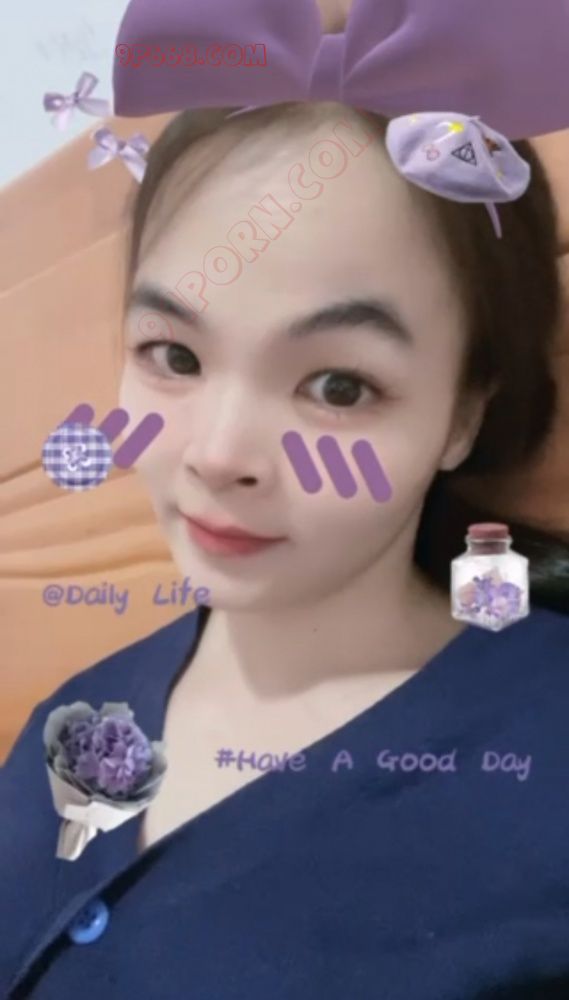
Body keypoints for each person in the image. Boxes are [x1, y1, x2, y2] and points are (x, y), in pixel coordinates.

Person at [2, 0, 569, 996]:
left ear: (462, 414)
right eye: (173, 355)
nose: (217, 456)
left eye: (338, 386)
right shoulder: (76, 713)